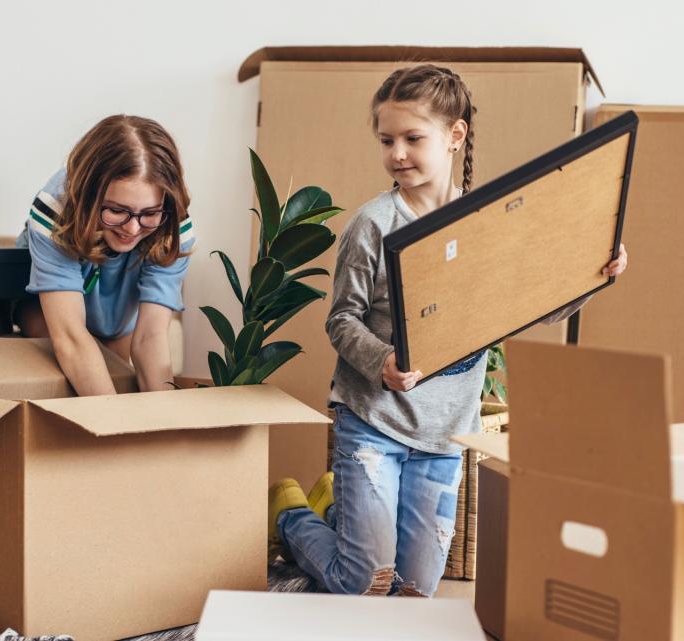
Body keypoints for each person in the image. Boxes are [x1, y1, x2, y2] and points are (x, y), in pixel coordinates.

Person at [268, 64, 628, 597]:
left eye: (413, 138)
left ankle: (337, 510)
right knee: (362, 582)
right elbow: (341, 319)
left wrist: (595, 276)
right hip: (372, 422)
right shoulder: (372, 224)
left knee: (414, 594)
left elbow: (536, 310)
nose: (398, 154)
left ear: (454, 135)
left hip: (443, 435)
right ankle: (295, 516)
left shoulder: (485, 225)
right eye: (386, 140)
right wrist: (382, 363)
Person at [15, 115, 194, 394]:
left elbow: (150, 337)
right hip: (48, 309)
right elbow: (71, 338)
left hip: (118, 312)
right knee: (79, 377)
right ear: (88, 197)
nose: (132, 228)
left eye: (148, 213)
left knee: (120, 377)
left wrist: (167, 425)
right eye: (117, 210)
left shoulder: (172, 224)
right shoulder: (55, 210)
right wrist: (115, 426)